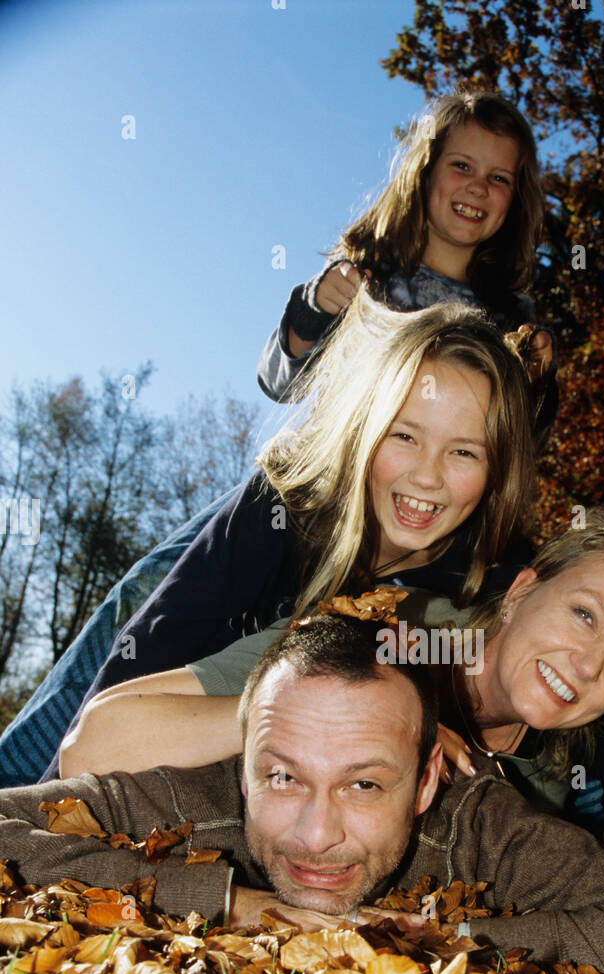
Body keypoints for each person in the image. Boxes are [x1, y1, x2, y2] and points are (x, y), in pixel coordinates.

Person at [0, 614, 604, 974]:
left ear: (428, 780)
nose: (314, 834)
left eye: (365, 784)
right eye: (284, 777)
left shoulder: (476, 822)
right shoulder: (198, 793)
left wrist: (448, 937)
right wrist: (229, 902)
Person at [8, 292, 535, 786]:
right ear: (363, 427)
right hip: (171, 705)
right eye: (404, 436)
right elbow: (145, 660)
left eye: (464, 452)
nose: (427, 476)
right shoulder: (281, 507)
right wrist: (49, 817)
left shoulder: (491, 585)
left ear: (498, 470)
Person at [60, 508, 604, 885]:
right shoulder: (389, 631)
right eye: (585, 615)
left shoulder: (555, 775)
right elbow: (92, 744)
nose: (590, 666)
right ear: (522, 591)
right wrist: (315, 719)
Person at [257, 87, 557, 421]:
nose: (478, 187)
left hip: (438, 471)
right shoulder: (364, 275)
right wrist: (313, 312)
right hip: (341, 467)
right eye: (461, 165)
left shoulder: (510, 315)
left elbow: (520, 439)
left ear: (516, 199)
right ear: (425, 173)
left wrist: (534, 386)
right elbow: (278, 383)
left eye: (499, 177)